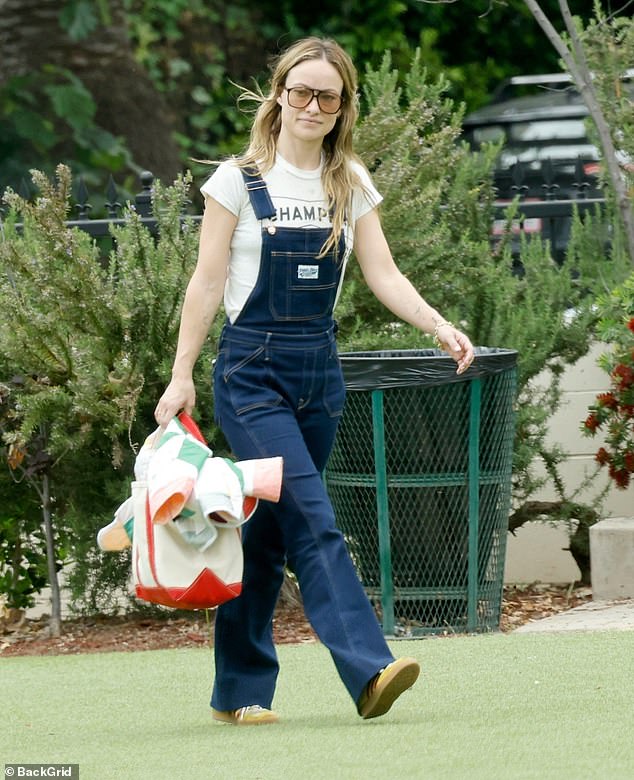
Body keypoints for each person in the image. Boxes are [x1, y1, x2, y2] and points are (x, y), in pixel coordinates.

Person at [154, 36, 475, 725]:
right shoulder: (236, 180)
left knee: (271, 529)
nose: (311, 104)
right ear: (278, 94)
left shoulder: (349, 181)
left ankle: (238, 694)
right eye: (300, 90)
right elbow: (207, 282)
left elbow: (382, 272)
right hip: (251, 373)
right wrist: (181, 374)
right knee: (313, 516)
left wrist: (438, 325)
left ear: (341, 108)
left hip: (318, 374)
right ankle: (369, 668)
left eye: (326, 96)